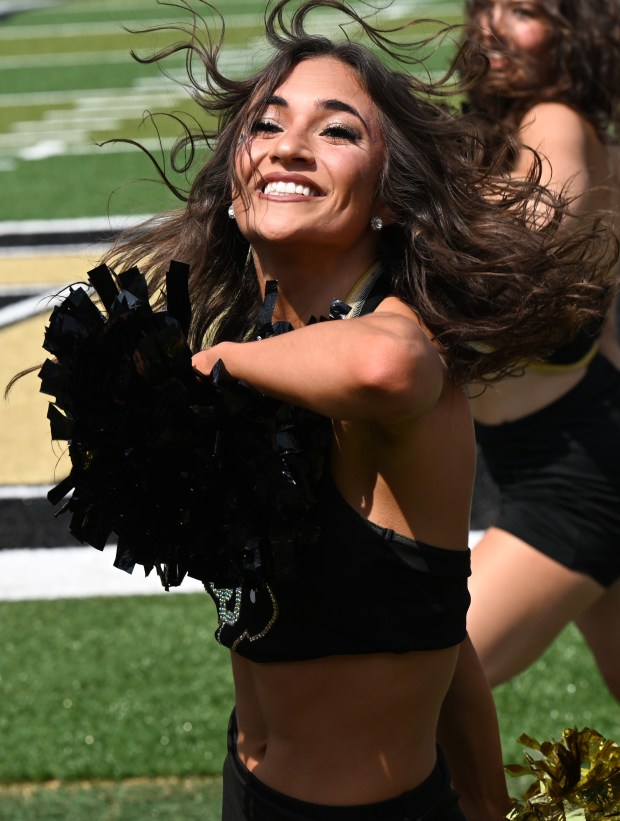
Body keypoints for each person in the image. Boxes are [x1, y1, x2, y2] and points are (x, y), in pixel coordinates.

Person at [37, 1, 617, 818]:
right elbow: (445, 638)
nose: (290, 145)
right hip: (250, 789)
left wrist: (206, 365)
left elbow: (388, 366)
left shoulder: (392, 339)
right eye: (264, 126)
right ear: (237, 191)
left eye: (338, 131)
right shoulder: (265, 339)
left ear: (387, 199)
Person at [456, 0, 620, 698]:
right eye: (484, 5)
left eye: (522, 10)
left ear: (574, 31)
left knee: (414, 687)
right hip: (559, 450)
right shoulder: (509, 130)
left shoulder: (555, 121)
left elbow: (505, 272)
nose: (492, 24)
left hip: (576, 476)